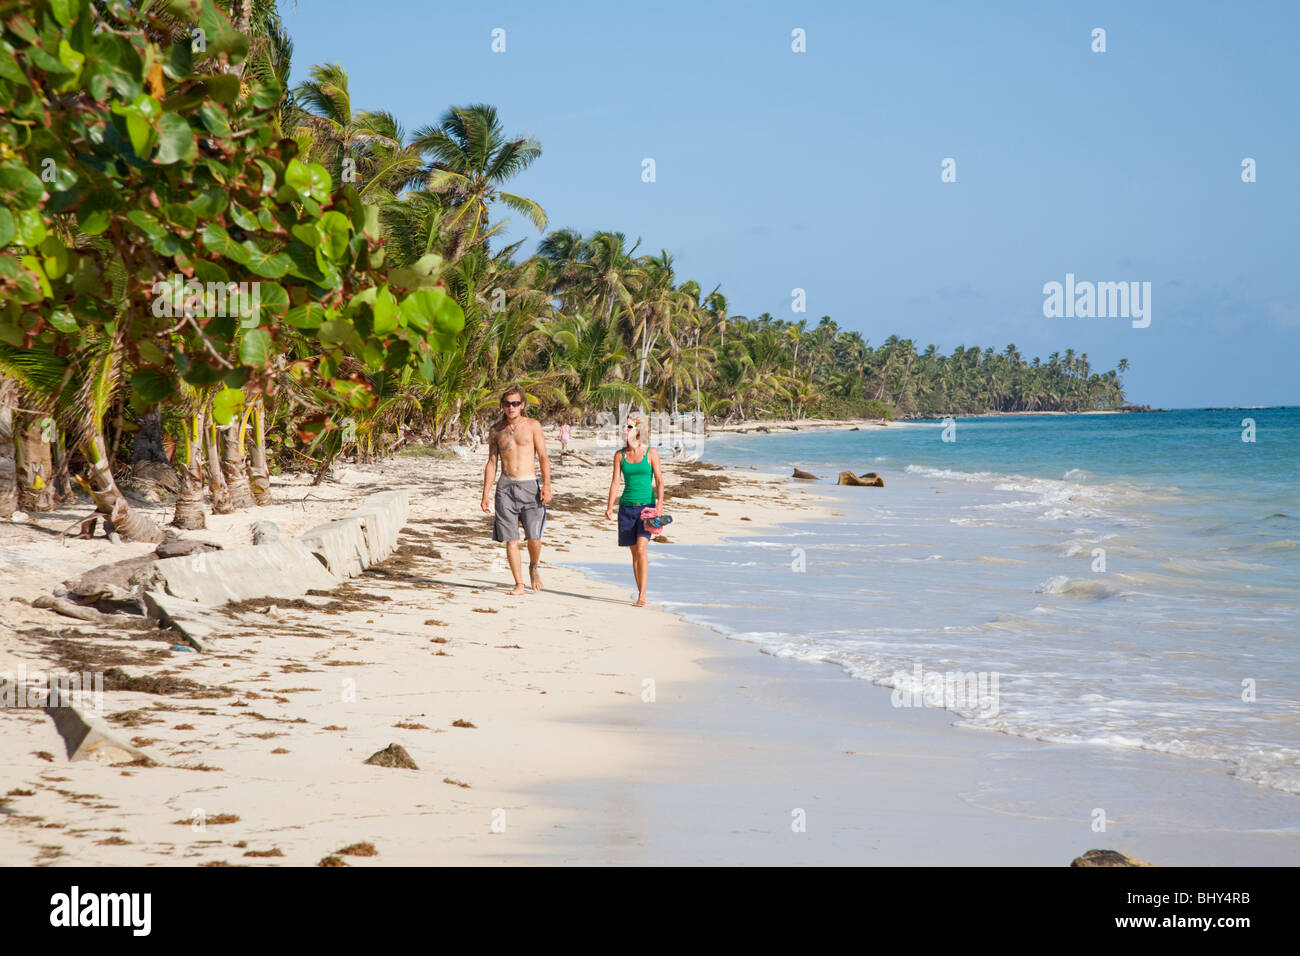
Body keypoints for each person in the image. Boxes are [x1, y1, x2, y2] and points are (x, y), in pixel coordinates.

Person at [481, 386, 553, 595]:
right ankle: (519, 584)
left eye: (515, 403)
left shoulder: (532, 426)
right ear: (502, 406)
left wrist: (547, 485)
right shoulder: (496, 430)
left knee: (534, 537)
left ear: (522, 405)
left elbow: (543, 457)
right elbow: (492, 462)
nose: (511, 407)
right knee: (511, 539)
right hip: (505, 488)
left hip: (530, 486)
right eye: (507, 404)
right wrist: (485, 493)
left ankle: (533, 566)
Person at [604, 414, 665, 607]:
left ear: (638, 431)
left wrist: (660, 504)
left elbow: (660, 481)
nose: (625, 430)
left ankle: (643, 594)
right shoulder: (620, 455)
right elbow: (615, 482)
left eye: (629, 427)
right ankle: (640, 590)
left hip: (647, 508)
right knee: (634, 554)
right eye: (625, 427)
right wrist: (609, 506)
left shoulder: (651, 453)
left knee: (641, 549)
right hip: (626, 509)